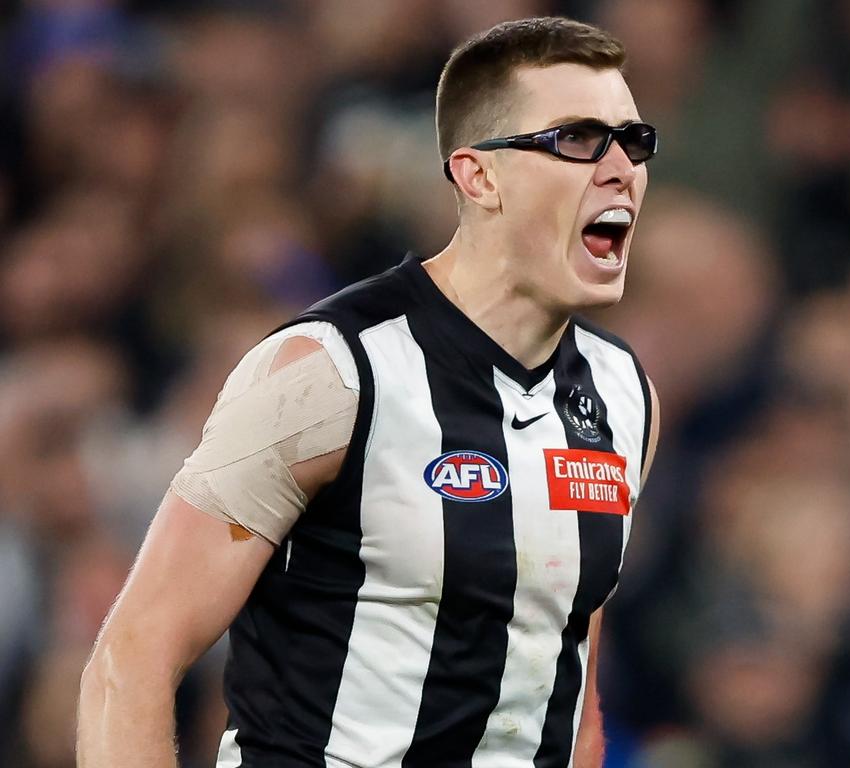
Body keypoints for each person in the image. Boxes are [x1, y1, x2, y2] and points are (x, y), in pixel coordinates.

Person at [78, 16, 660, 768]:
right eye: (578, 140)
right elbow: (132, 659)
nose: (620, 169)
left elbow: (567, 689)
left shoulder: (624, 397)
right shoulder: (329, 372)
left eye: (634, 142)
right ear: (478, 176)